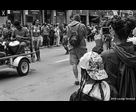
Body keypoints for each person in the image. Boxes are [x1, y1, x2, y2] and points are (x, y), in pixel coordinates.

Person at [101, 16, 136, 99]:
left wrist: (102, 46)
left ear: (113, 32)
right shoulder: (134, 49)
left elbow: (105, 81)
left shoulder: (107, 55)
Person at [67, 14, 87, 85]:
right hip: (81, 46)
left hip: (72, 47)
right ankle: (84, 79)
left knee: (74, 64)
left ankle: (76, 79)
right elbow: (85, 35)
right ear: (79, 19)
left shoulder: (68, 26)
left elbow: (68, 36)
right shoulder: (82, 26)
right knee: (83, 62)